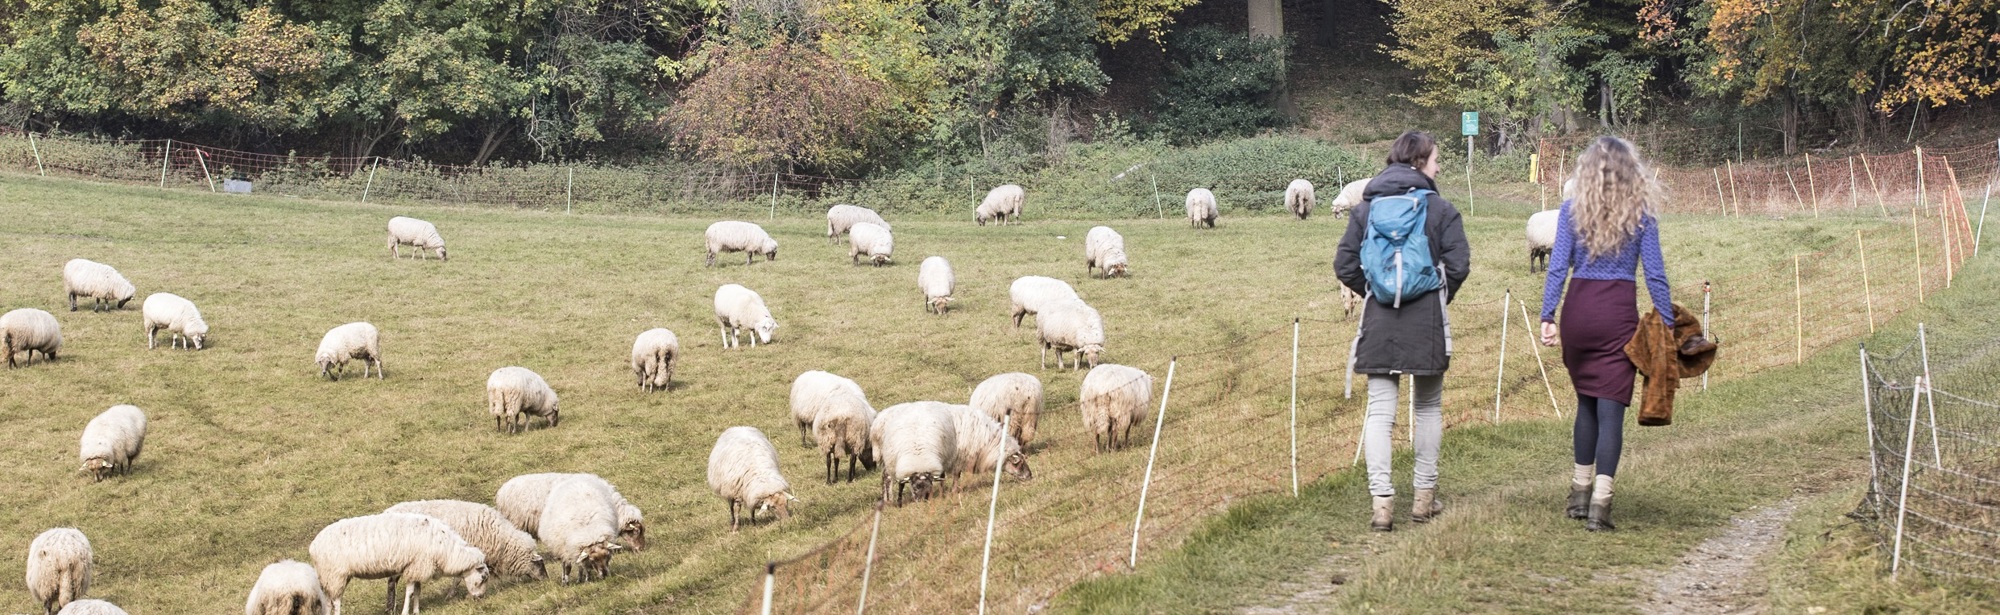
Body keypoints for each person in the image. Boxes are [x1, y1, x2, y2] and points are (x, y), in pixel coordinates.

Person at [1334, 130, 1471, 532]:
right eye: (1436, 160)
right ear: (1420, 163)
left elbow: (1344, 266)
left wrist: (1375, 291)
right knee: (1427, 408)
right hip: (1426, 316)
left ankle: (1382, 504)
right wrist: (1436, 295)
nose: (1439, 166)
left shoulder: (1365, 209)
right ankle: (1424, 500)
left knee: (1380, 412)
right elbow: (1459, 264)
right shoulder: (1441, 209)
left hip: (1379, 319)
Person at [1539, 136, 1673, 532]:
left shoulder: (1570, 212)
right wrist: (1666, 322)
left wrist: (1548, 313)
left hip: (1578, 312)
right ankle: (1601, 503)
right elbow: (1655, 274)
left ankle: (1578, 495)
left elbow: (1557, 266)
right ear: (1633, 172)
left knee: (1586, 404)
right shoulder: (1642, 215)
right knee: (1611, 408)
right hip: (1617, 312)